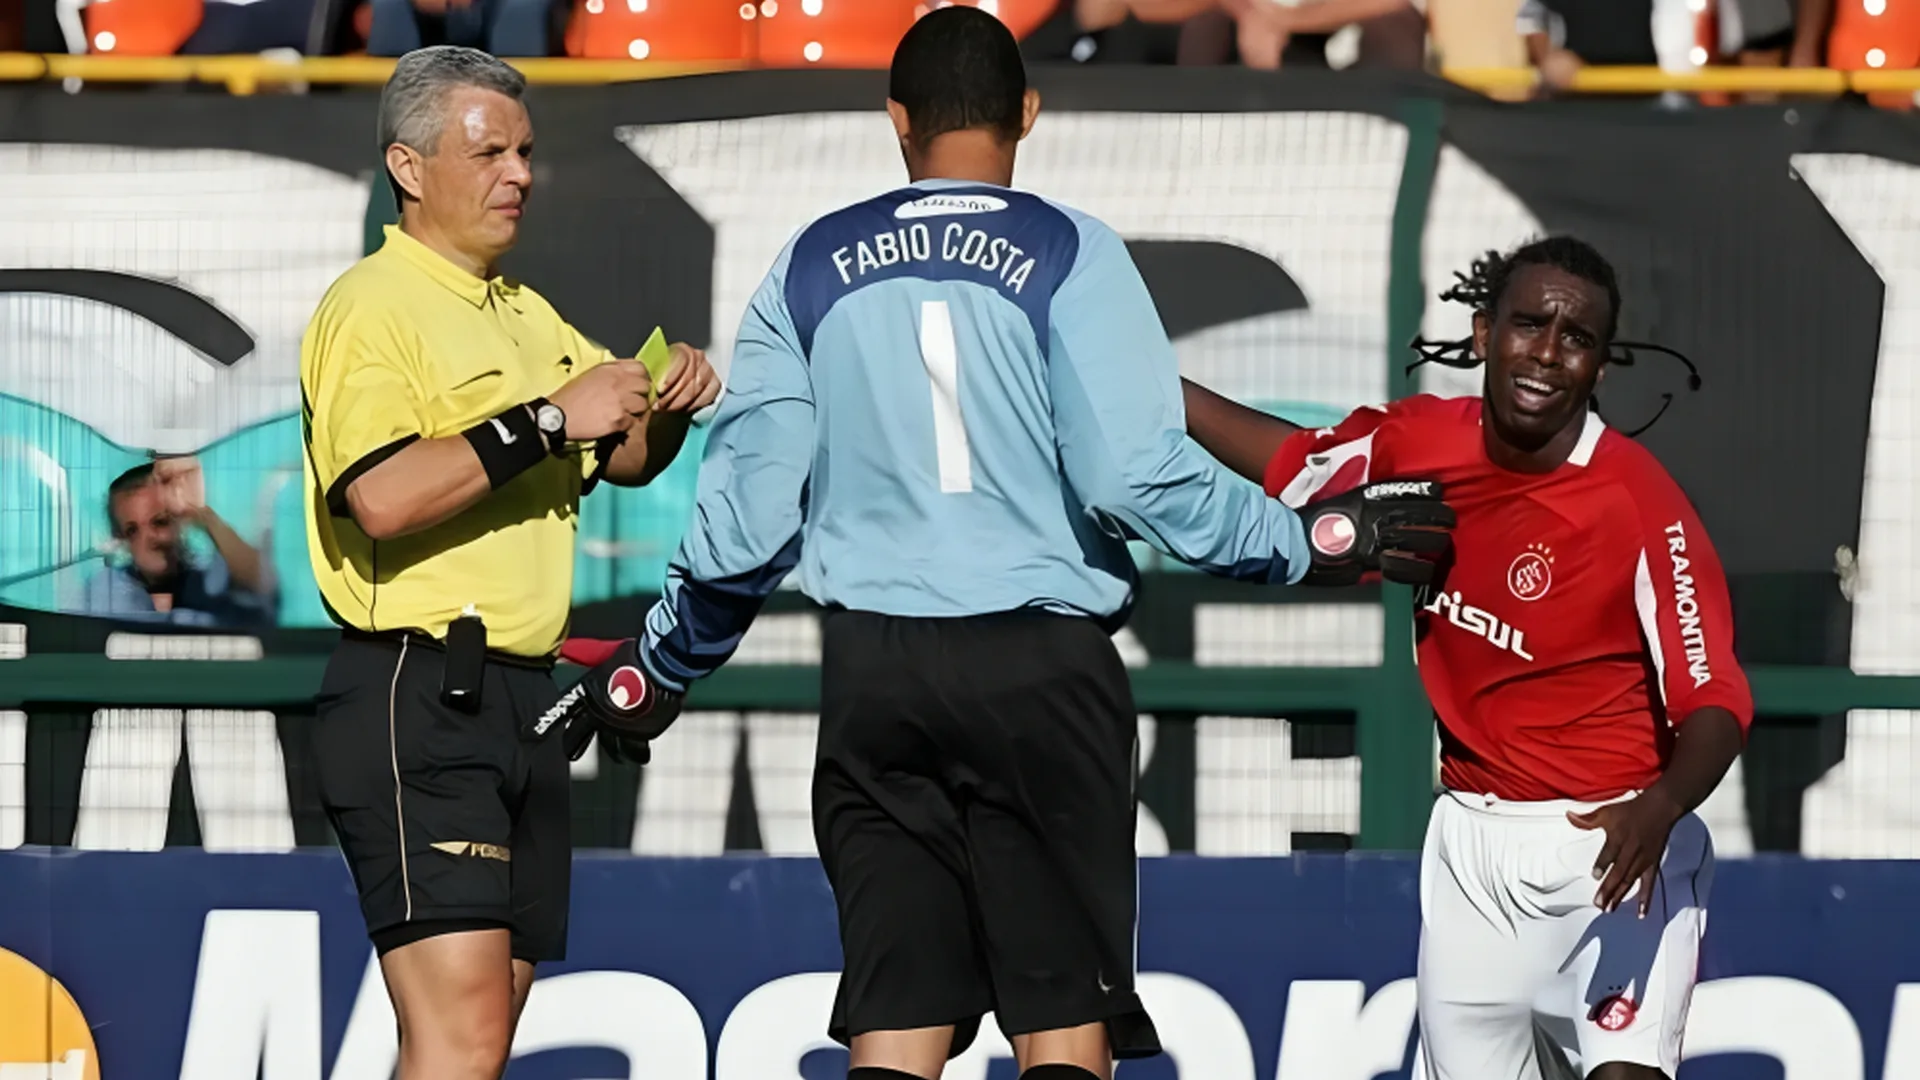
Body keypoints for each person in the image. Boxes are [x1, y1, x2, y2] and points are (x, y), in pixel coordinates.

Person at [546, 9, 1452, 1080]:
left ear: (897, 119)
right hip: (1040, 668)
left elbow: (749, 518)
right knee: (1060, 1015)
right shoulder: (1073, 249)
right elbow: (1133, 473)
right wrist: (1299, 542)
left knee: (897, 1016)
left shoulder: (809, 263)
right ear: (1027, 111)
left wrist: (662, 665)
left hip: (875, 669)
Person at [1181, 236, 1752, 1080]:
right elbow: (1294, 462)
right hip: (1471, 858)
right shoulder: (1418, 442)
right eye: (1529, 325)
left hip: (1613, 849)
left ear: (1600, 366)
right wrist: (1157, 387)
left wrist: (1662, 805)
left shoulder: (1639, 499)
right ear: (1484, 333)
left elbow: (1716, 701)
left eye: (1576, 338)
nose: (1547, 353)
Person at [299, 45, 716, 1080]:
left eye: (525, 152)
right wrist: (545, 419)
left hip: (523, 703)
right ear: (407, 166)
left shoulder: (525, 313)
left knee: (476, 1038)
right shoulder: (372, 305)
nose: (520, 174)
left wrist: (665, 403)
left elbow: (621, 455)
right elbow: (381, 497)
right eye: (490, 153)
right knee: (464, 1035)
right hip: (419, 690)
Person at [81, 456, 277, 628]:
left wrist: (202, 514)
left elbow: (265, 586)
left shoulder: (210, 575)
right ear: (121, 537)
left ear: (179, 520)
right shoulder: (107, 588)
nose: (149, 537)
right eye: (132, 531)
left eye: (160, 522)